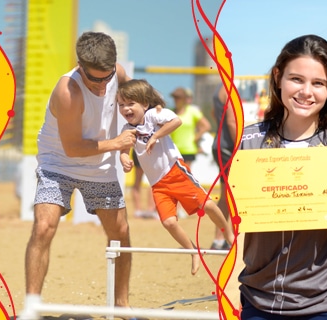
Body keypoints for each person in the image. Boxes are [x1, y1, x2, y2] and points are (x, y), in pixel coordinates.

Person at [233, 35, 327, 319]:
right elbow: (232, 218)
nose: (307, 91)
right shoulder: (248, 142)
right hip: (261, 302)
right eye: (296, 79)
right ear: (278, 77)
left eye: (318, 83)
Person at [20, 31, 136, 319]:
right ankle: (32, 306)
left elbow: (133, 115)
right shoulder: (67, 91)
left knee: (120, 232)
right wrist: (117, 145)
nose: (100, 85)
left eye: (105, 78)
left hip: (100, 165)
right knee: (43, 226)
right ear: (80, 65)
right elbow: (73, 149)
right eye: (93, 78)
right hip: (58, 162)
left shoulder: (117, 74)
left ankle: (121, 305)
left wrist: (124, 149)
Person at [116, 79, 235, 275]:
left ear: (144, 104)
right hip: (157, 184)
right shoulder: (127, 129)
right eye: (121, 105)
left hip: (175, 172)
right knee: (169, 222)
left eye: (130, 103)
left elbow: (176, 121)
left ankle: (228, 234)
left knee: (208, 205)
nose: (125, 109)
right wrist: (124, 160)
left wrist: (155, 136)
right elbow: (124, 149)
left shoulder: (155, 114)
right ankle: (193, 251)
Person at [210, 84, 236, 250]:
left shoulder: (219, 88)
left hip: (220, 143)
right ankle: (226, 239)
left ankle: (220, 239)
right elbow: (232, 121)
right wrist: (239, 145)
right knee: (232, 195)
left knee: (227, 194)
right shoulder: (230, 89)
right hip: (228, 146)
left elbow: (214, 113)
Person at [168, 87, 211, 163]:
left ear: (184, 99)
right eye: (174, 97)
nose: (176, 100)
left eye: (178, 98)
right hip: (173, 150)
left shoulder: (192, 111)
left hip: (188, 150)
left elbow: (206, 126)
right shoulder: (170, 112)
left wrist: (195, 138)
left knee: (186, 174)